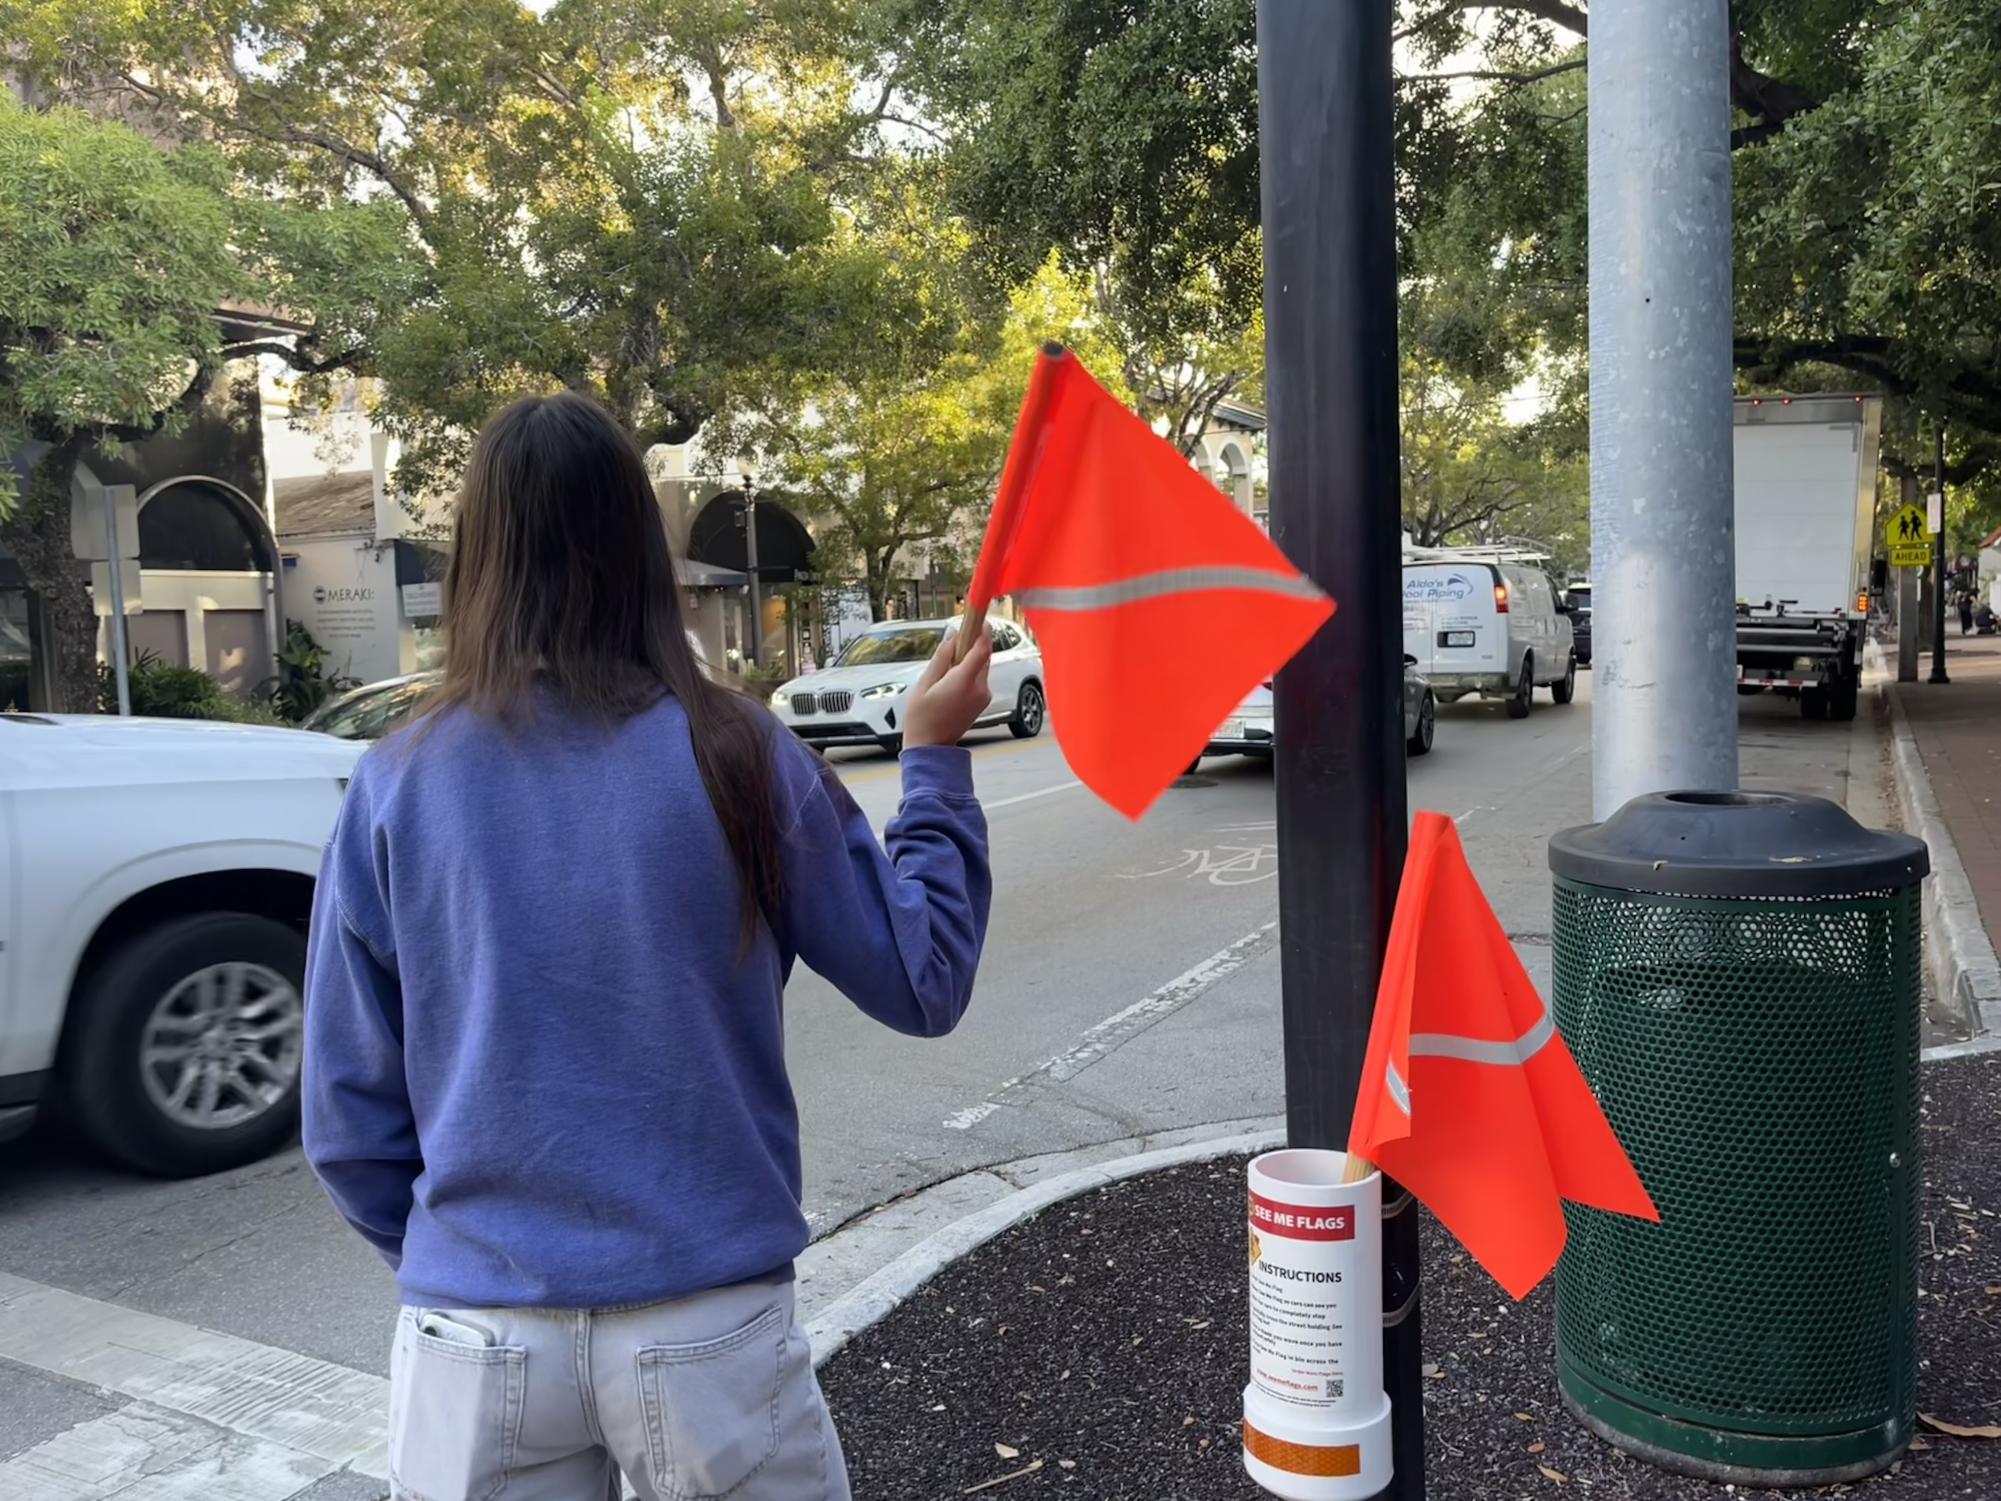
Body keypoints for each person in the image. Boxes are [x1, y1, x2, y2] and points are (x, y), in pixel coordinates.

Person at [302, 391, 995, 1501]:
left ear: (477, 555)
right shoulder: (740, 751)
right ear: (641, 546)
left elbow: (346, 1118)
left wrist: (468, 1265)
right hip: (708, 1325)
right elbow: (924, 978)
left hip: (475, 1339)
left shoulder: (394, 780)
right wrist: (932, 757)